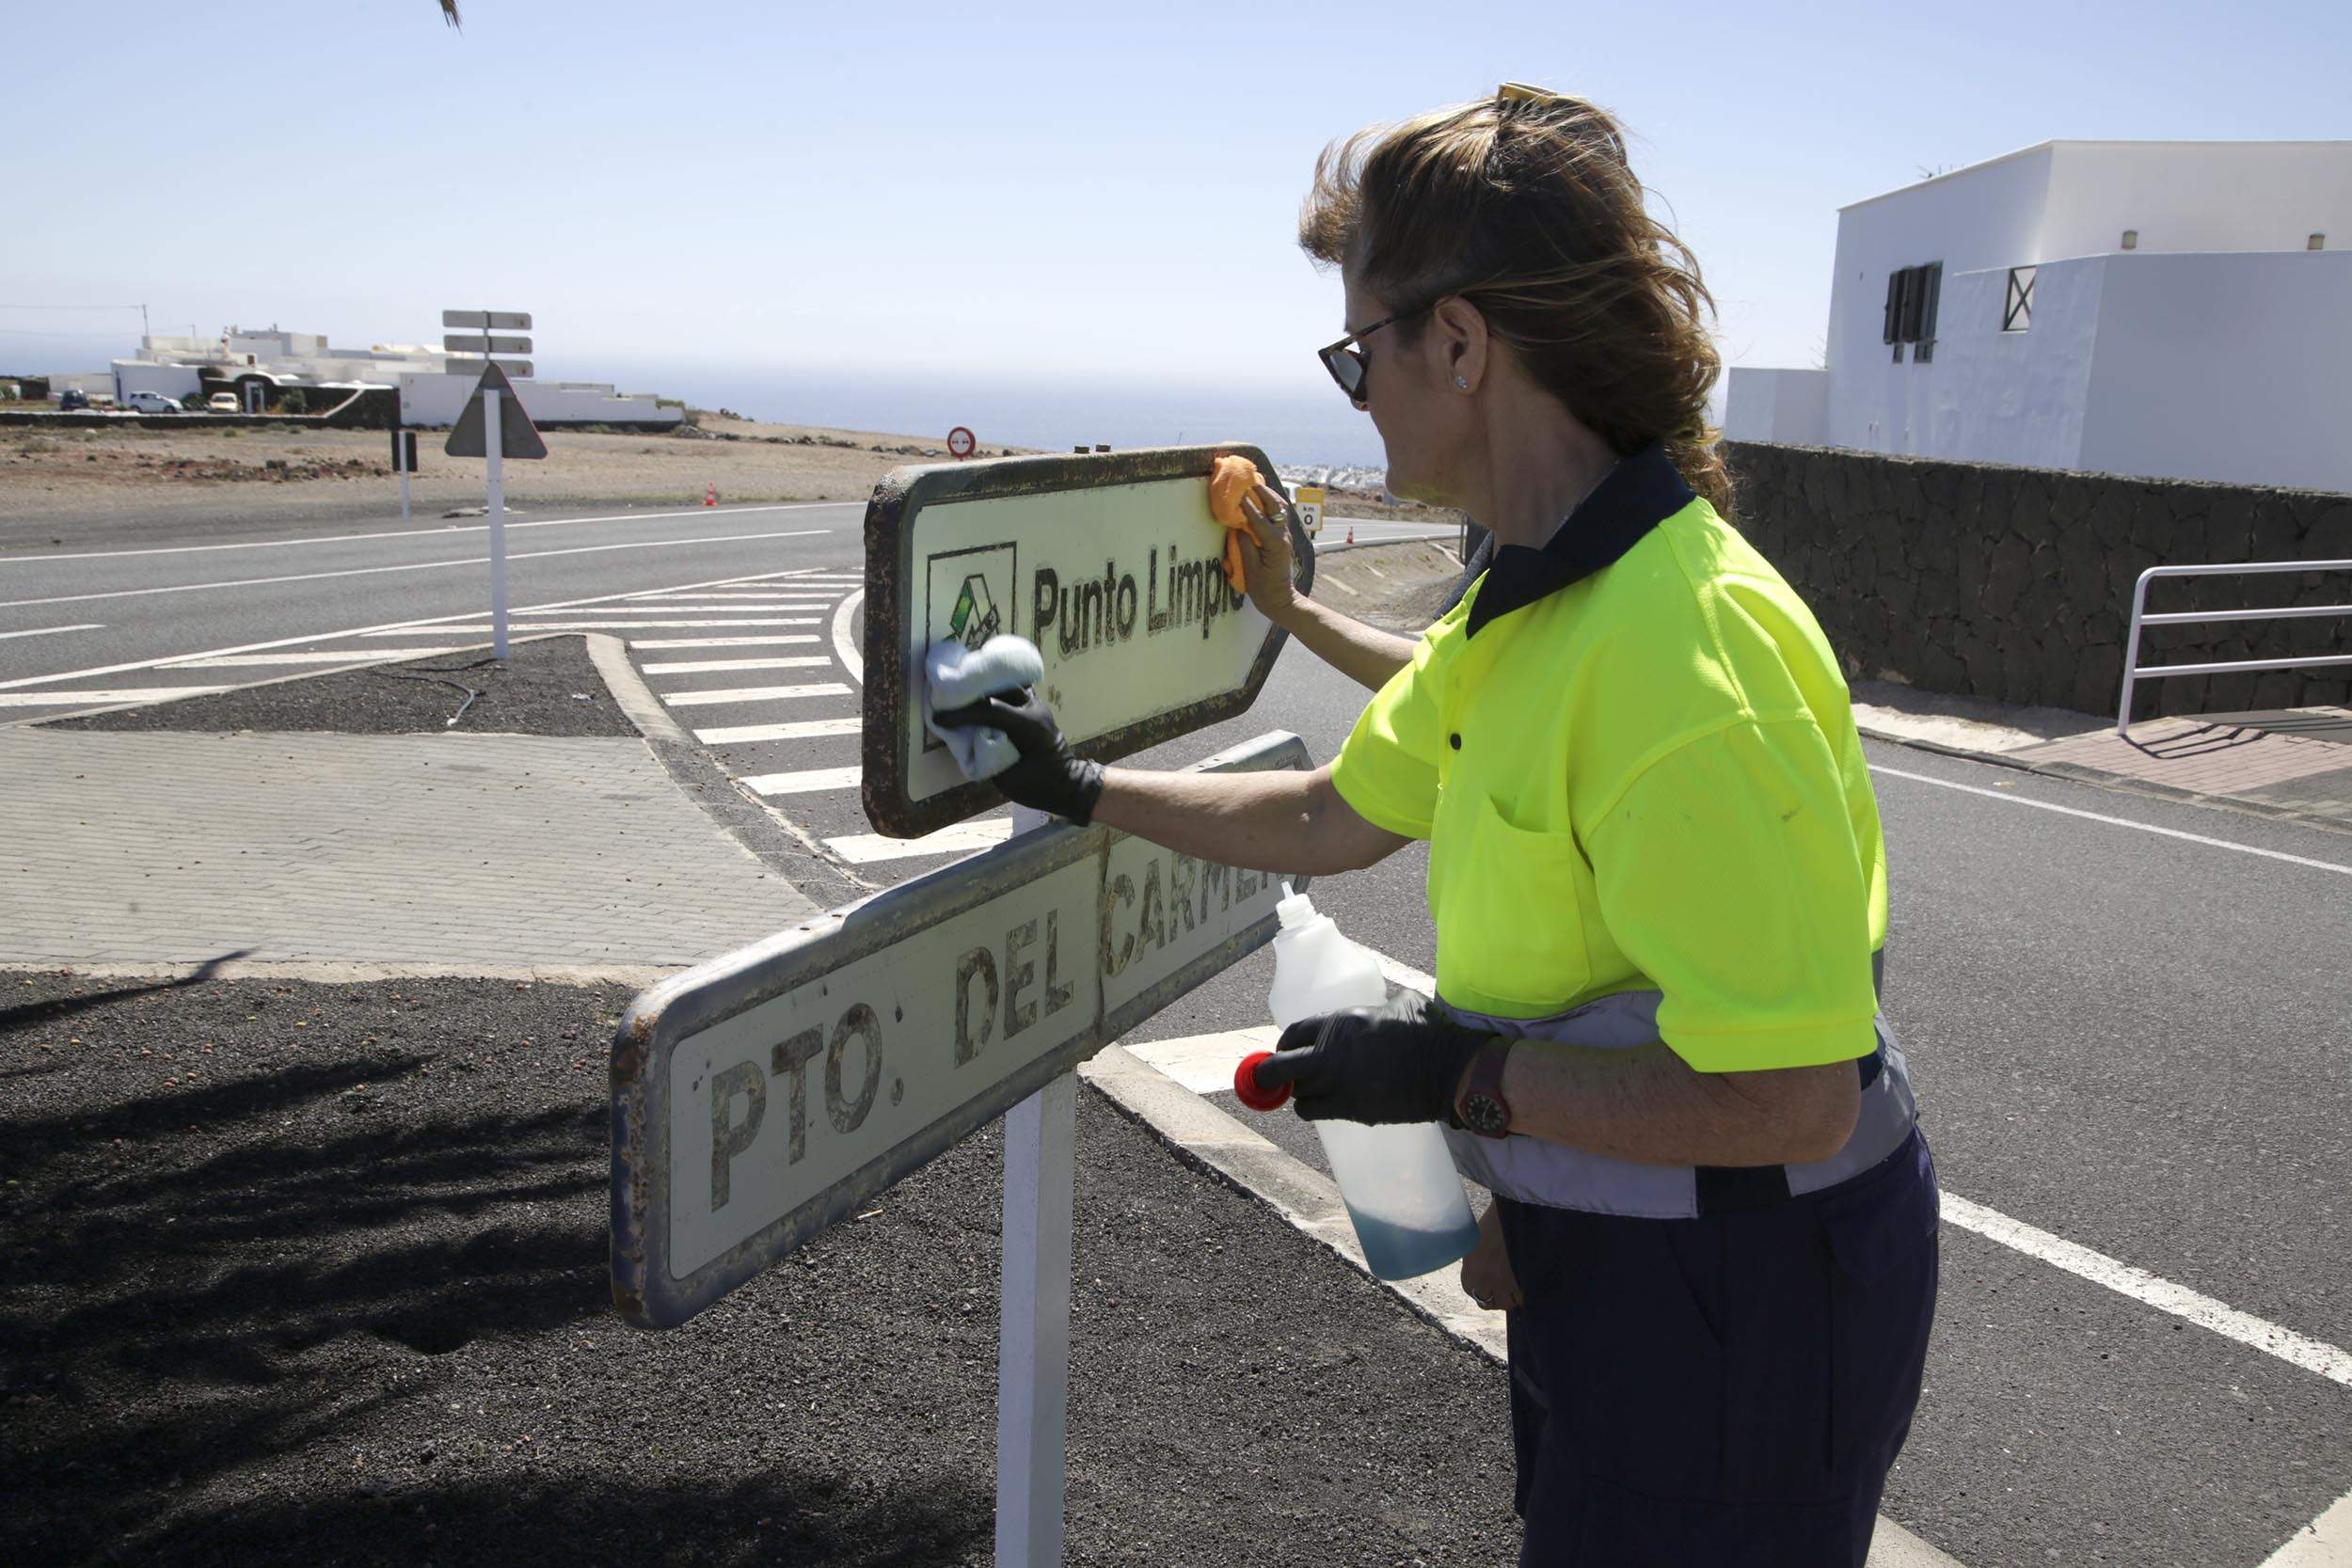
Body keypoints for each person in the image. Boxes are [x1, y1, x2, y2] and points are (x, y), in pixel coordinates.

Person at [938, 86, 1938, 1567]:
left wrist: (1466, 1081)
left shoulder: (1685, 663)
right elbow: (1332, 812)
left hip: (1753, 1297)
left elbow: (1791, 1098)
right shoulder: (1530, 601)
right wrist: (1073, 784)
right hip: (1648, 1251)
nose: (1356, 394)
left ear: (1459, 346)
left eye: (1359, 354)